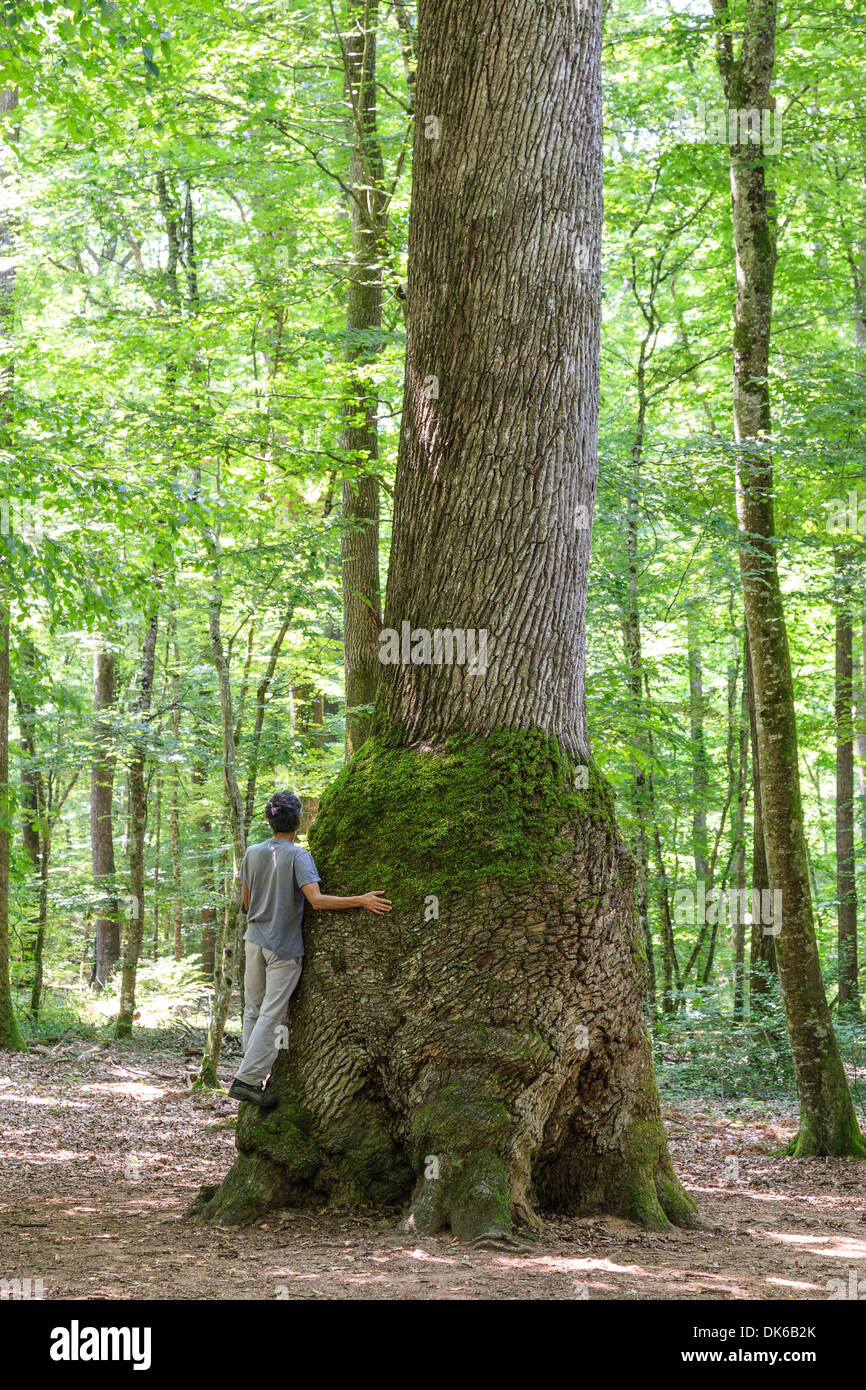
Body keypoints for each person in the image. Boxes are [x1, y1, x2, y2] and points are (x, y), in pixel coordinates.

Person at [228, 791, 392, 1108]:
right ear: (299, 822)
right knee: (270, 1014)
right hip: (283, 948)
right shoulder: (298, 856)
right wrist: (361, 900)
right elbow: (316, 900)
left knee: (252, 1009)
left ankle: (250, 1077)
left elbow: (247, 902)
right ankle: (247, 1081)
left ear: (269, 820)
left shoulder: (252, 852)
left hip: (253, 940)